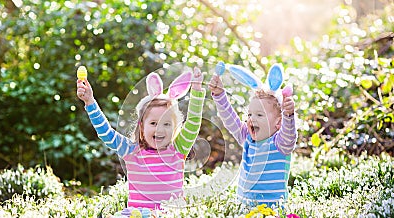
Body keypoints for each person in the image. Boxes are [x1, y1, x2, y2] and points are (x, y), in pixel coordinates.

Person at [77, 67, 206, 209]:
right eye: (153, 123)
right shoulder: (132, 151)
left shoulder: (178, 150)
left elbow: (193, 124)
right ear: (141, 126)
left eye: (167, 124)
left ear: (175, 128)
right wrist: (90, 102)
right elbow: (106, 133)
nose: (160, 129)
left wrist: (197, 91)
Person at [208, 66, 297, 208]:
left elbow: (289, 133)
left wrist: (288, 115)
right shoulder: (247, 138)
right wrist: (219, 95)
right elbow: (230, 120)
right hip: (244, 209)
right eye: (249, 114)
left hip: (272, 211)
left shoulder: (280, 143)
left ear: (278, 122)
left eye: (259, 115)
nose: (252, 119)